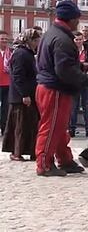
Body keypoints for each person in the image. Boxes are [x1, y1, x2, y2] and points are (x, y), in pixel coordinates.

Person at [36, 0, 88, 177]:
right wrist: (86, 79)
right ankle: (44, 164)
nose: (78, 22)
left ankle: (65, 160)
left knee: (59, 127)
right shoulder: (63, 40)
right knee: (52, 126)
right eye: (77, 18)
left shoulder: (51, 34)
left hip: (47, 86)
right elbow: (64, 71)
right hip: (56, 89)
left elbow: (58, 64)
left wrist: (79, 65)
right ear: (70, 19)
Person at [2, 29, 41, 161]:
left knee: (29, 125)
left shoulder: (27, 53)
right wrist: (24, 94)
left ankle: (30, 151)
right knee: (20, 126)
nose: (37, 43)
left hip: (28, 95)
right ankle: (16, 152)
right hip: (21, 97)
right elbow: (18, 76)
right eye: (35, 40)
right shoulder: (21, 54)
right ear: (29, 40)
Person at [0, 30, 12, 136]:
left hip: (8, 84)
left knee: (6, 108)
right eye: (2, 39)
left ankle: (4, 129)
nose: (4, 40)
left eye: (5, 39)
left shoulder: (11, 52)